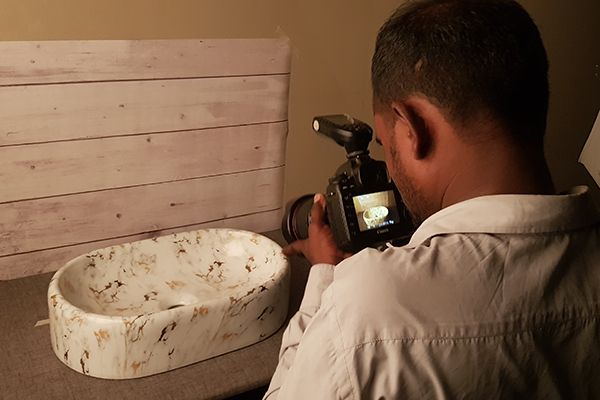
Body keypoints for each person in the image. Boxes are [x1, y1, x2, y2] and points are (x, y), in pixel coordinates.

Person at [265, 0, 600, 398]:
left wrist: (325, 274)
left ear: (412, 128)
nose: (390, 169)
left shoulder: (368, 313)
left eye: (386, 144)